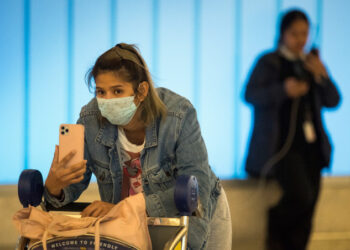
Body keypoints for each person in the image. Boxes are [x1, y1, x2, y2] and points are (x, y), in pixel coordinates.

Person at [44, 43, 232, 249]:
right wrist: (54, 189)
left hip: (195, 215)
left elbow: (196, 192)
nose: (107, 100)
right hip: (127, 223)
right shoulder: (90, 119)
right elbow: (70, 188)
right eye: (100, 91)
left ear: (141, 91)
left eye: (117, 91)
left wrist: (125, 209)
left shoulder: (179, 115)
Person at [244, 9, 341, 250]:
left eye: (304, 34)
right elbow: (250, 94)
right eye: (294, 33)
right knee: (300, 197)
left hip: (313, 148)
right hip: (283, 148)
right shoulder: (269, 62)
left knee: (309, 209)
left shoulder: (311, 64)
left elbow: (334, 101)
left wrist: (322, 75)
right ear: (283, 34)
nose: (300, 39)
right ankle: (276, 231)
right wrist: (283, 91)